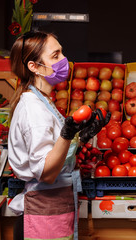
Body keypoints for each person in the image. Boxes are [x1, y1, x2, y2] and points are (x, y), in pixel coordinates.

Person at [7, 30, 110, 240]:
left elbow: (57, 154)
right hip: (41, 218)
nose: (64, 60)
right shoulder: (33, 109)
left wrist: (80, 138)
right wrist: (67, 134)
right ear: (34, 67)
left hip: (53, 211)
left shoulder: (44, 102)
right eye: (55, 56)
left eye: (62, 53)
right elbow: (46, 172)